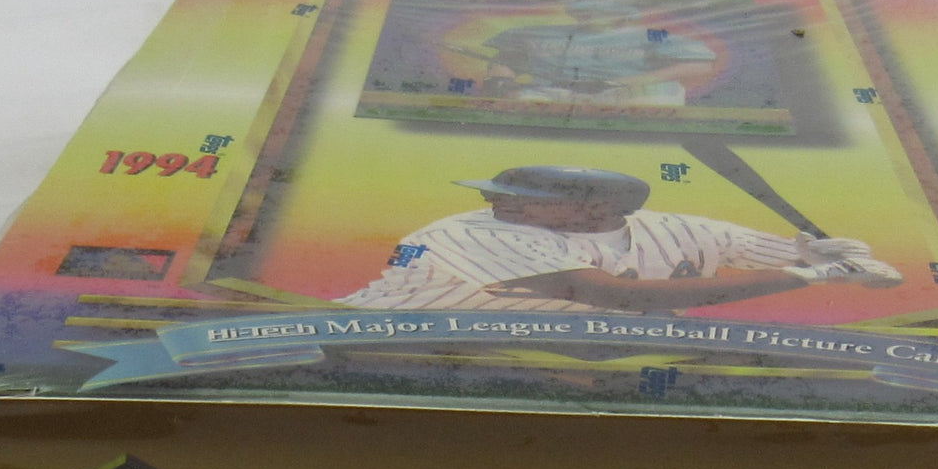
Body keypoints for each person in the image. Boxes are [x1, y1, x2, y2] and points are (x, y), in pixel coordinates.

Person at [335, 165, 902, 313]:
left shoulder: (681, 230)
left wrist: (835, 252)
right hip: (378, 341)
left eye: (524, 197)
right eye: (496, 192)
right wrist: (808, 275)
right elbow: (613, 295)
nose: (496, 202)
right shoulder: (470, 231)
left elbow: (808, 254)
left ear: (597, 209)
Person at [479, 0, 716, 106]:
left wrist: (625, 83)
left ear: (622, 13)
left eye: (599, 10)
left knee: (660, 96)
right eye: (584, 9)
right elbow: (506, 59)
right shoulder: (540, 33)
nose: (589, 14)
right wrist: (503, 81)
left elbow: (699, 64)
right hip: (552, 96)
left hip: (625, 98)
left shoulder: (653, 36)